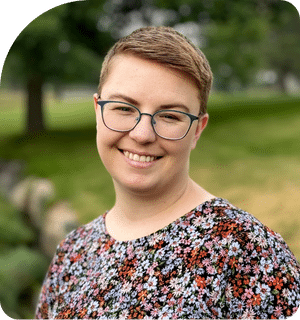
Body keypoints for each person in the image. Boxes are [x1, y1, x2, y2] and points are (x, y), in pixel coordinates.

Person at [35, 26, 300, 320]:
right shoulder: (72, 253)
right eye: (124, 108)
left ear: (197, 130)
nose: (143, 134)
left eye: (170, 116)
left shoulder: (246, 250)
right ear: (98, 112)